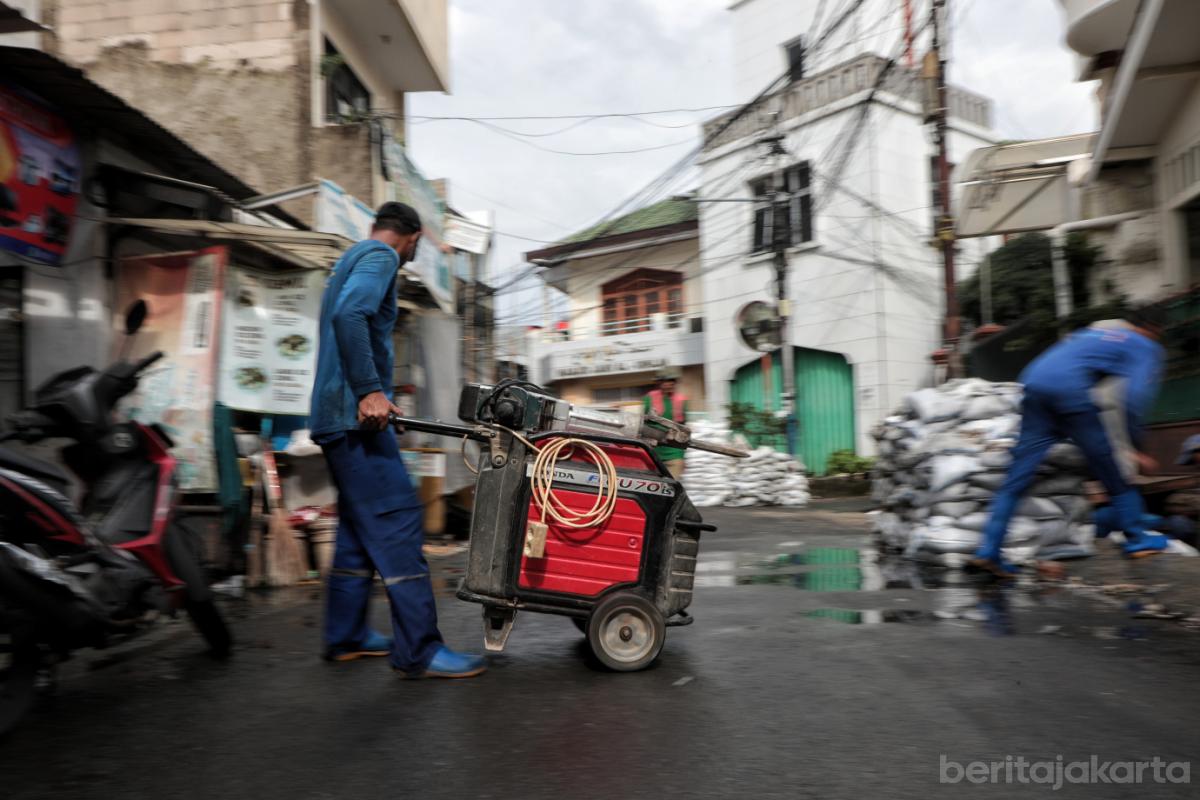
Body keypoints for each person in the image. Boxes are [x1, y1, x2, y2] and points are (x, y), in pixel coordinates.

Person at [310, 202, 485, 679]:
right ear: (409, 238)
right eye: (417, 246)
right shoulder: (382, 257)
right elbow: (352, 315)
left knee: (356, 530)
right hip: (353, 420)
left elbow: (346, 320)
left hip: (337, 418)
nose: (412, 253)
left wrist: (380, 397)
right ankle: (420, 650)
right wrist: (369, 392)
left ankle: (345, 635)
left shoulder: (348, 259)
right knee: (399, 522)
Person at [970, 306, 1172, 577]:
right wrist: (1137, 449)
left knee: (1016, 479)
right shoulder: (1144, 346)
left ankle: (988, 551)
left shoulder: (1098, 333)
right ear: (1156, 330)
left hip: (1033, 383)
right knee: (1111, 468)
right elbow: (1132, 401)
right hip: (1069, 390)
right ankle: (1137, 539)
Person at [644, 372, 688, 479]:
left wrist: (683, 457)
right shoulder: (649, 398)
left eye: (672, 381)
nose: (669, 384)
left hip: (674, 453)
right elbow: (643, 423)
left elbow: (685, 431)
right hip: (653, 453)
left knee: (671, 487)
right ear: (660, 383)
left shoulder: (681, 400)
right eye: (666, 381)